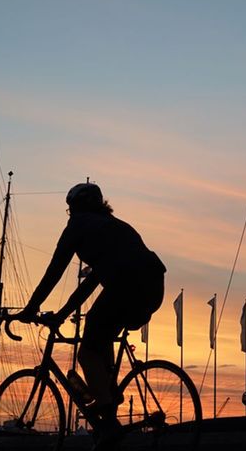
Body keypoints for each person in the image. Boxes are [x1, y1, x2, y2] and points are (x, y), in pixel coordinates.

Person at [14, 182, 166, 431]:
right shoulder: (115, 226)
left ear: (75, 207)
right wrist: (63, 313)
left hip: (125, 286)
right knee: (101, 333)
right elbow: (91, 283)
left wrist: (32, 307)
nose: (70, 214)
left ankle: (108, 418)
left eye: (70, 209)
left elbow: (55, 269)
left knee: (87, 352)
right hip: (153, 286)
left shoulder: (78, 225)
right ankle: (109, 399)